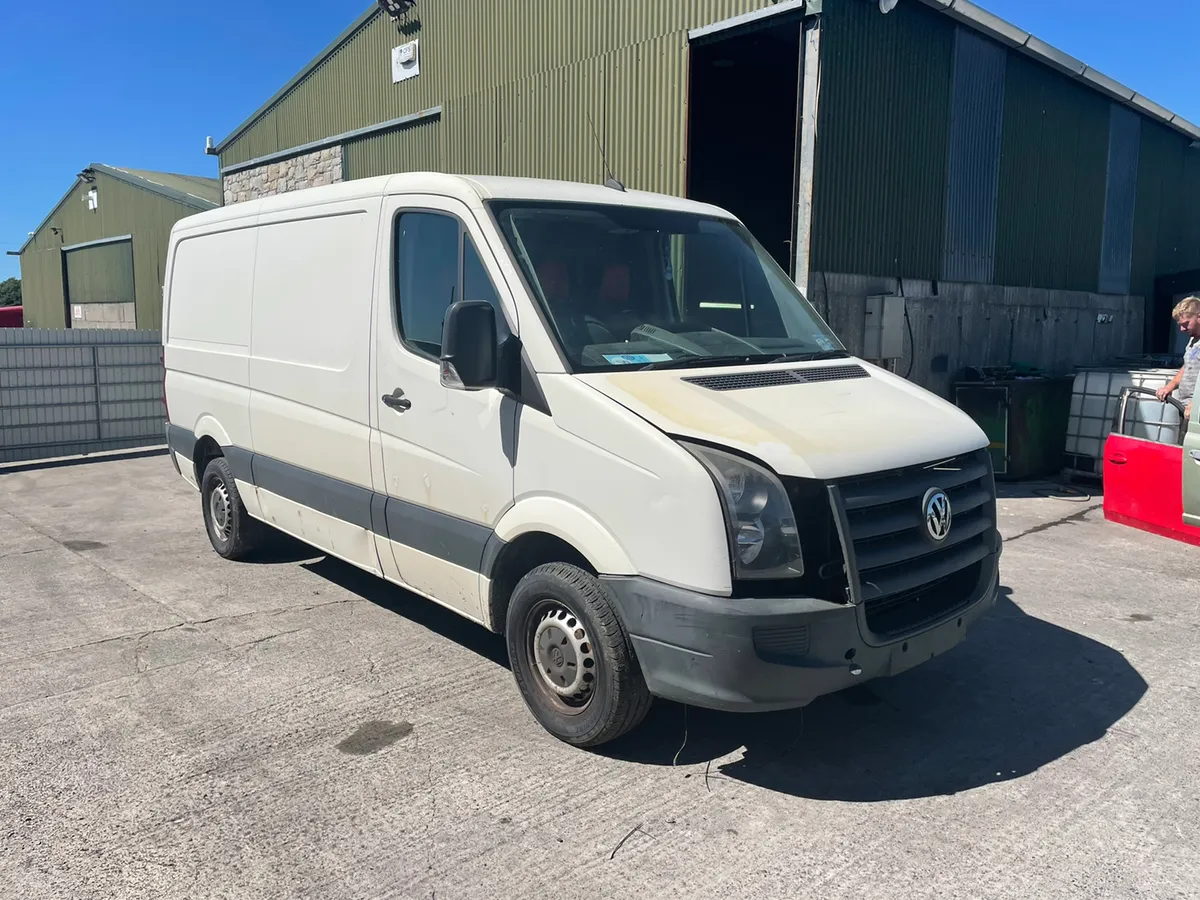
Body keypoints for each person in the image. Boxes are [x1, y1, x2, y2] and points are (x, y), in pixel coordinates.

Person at [1156, 296, 1200, 421]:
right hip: (1185, 408)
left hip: (1196, 410)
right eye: (1180, 325)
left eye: (1186, 324)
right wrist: (1170, 386)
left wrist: (1196, 403)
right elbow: (1188, 366)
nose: (1181, 329)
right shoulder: (1193, 340)